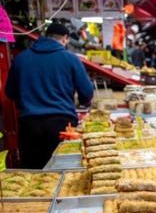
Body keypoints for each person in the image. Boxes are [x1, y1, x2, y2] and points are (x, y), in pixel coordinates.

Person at [6, 23, 94, 169]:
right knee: (63, 171)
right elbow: (86, 92)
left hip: (29, 125)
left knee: (32, 175)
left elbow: (10, 92)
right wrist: (83, 102)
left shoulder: (21, 58)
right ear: (65, 39)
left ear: (45, 36)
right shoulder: (70, 59)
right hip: (62, 125)